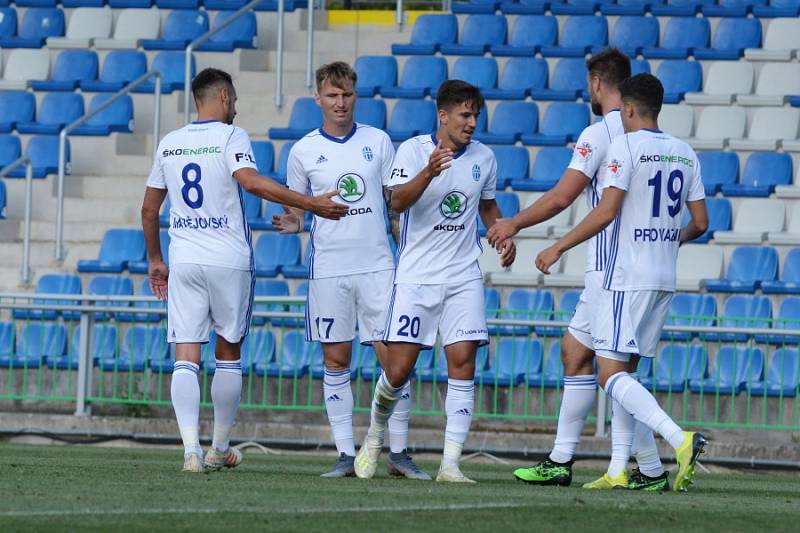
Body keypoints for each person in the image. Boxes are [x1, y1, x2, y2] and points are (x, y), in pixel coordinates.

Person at [141, 68, 347, 473]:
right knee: (228, 351)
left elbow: (150, 210)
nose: (235, 106)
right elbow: (250, 183)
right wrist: (311, 204)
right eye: (233, 99)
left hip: (184, 258)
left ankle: (190, 452)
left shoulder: (170, 142)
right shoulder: (231, 136)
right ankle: (218, 447)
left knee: (186, 352)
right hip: (228, 259)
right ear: (221, 96)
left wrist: (155, 260)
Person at [489, 49, 667, 491]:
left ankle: (650, 463)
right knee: (575, 350)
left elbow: (561, 197)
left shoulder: (602, 132)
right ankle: (562, 459)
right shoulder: (650, 136)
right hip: (627, 268)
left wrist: (512, 222)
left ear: (595, 84)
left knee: (614, 372)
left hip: (612, 271)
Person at [535, 73, 709, 492]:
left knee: (610, 375)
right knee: (627, 376)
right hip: (663, 278)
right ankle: (635, 469)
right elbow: (700, 223)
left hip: (624, 276)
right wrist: (668, 238)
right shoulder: (685, 153)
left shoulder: (624, 146)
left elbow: (606, 211)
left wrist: (558, 246)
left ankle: (679, 439)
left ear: (628, 109)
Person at [354, 80, 516, 483]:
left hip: (463, 276)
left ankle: (450, 463)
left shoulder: (485, 158)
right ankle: (374, 437)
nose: (472, 122)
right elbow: (396, 201)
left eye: (476, 114)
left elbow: (489, 206)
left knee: (463, 363)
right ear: (443, 116)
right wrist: (428, 170)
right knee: (398, 369)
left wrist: (501, 235)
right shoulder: (411, 151)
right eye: (464, 114)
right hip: (417, 277)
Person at [272, 62, 428, 479]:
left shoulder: (378, 141)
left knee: (395, 361)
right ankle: (344, 454)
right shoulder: (303, 150)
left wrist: (404, 247)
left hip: (378, 265)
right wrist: (292, 222)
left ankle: (398, 451)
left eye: (346, 95)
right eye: (332, 95)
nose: (340, 103)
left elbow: (393, 203)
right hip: (328, 269)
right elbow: (298, 209)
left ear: (355, 96)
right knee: (335, 359)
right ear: (318, 99)